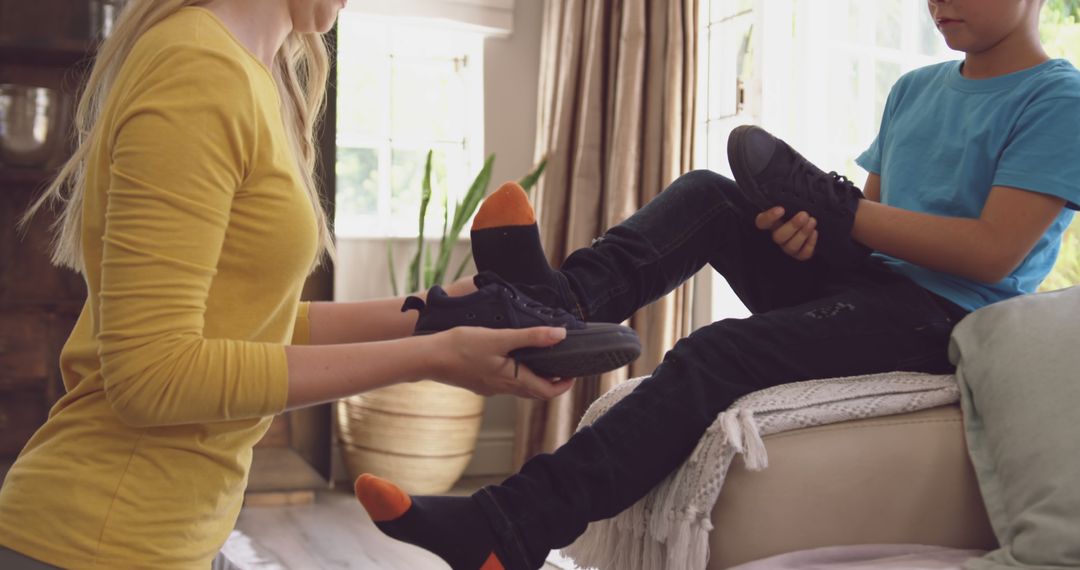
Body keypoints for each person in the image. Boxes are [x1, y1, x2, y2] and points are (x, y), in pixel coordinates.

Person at [353, 0, 1080, 569]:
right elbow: (873, 225)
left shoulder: (1059, 98)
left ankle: (507, 530)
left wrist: (841, 211)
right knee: (711, 195)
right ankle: (560, 303)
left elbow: (991, 253)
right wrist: (816, 229)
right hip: (873, 287)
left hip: (943, 318)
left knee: (718, 352)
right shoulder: (914, 90)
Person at [0, 1, 578, 568]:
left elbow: (252, 318)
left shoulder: (251, 70)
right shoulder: (198, 69)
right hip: (98, 539)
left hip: (173, 535)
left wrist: (432, 310)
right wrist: (431, 357)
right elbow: (151, 375)